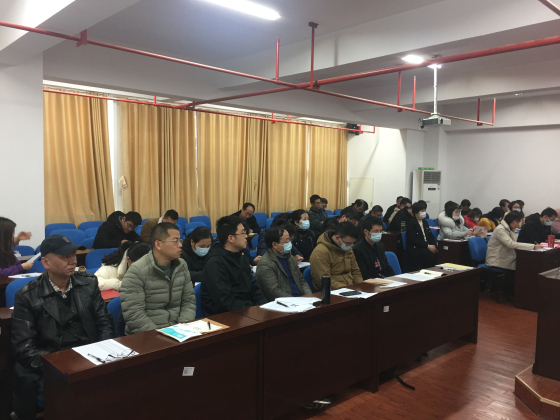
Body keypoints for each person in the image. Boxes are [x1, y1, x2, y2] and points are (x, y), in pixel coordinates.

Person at [11, 235, 114, 420]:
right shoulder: (27, 296)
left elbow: (104, 322)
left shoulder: (89, 283)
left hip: (89, 356)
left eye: (73, 255)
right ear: (46, 262)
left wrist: (103, 354)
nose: (73, 260)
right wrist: (59, 366)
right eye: (65, 256)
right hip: (52, 362)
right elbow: (24, 347)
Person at [120, 223, 196, 335]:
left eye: (180, 241)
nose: (180, 245)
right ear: (158, 244)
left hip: (178, 332)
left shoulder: (181, 265)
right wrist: (161, 336)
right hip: (147, 336)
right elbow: (134, 315)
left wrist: (182, 329)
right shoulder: (136, 272)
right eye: (175, 241)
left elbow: (189, 302)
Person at [201, 216, 267, 315]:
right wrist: (253, 311)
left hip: (246, 311)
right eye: (243, 233)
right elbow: (225, 302)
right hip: (225, 316)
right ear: (231, 238)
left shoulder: (241, 258)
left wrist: (264, 307)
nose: (246, 236)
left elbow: (254, 289)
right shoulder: (215, 263)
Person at [486, 211, 541, 297]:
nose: (518, 225)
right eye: (517, 222)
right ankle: (510, 293)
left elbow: (516, 243)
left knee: (525, 266)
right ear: (510, 220)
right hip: (496, 259)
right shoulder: (500, 229)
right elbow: (511, 244)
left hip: (506, 256)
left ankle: (519, 292)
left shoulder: (510, 229)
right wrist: (533, 246)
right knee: (521, 268)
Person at [256, 226, 312, 300]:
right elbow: (273, 291)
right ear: (275, 245)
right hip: (284, 302)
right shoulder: (265, 263)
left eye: (290, 240)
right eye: (287, 241)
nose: (290, 243)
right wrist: (296, 301)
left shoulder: (291, 258)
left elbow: (301, 281)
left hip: (301, 300)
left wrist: (309, 297)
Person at [309, 222, 363, 291]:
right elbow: (323, 281)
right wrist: (348, 289)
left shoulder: (347, 248)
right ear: (337, 237)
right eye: (347, 243)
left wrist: (360, 287)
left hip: (350, 289)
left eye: (352, 244)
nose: (349, 246)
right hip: (332, 291)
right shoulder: (320, 252)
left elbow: (355, 271)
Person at [406, 202, 438, 270]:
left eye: (424, 210)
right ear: (416, 212)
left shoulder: (424, 222)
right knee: (430, 255)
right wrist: (428, 246)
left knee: (439, 251)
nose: (424, 212)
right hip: (417, 248)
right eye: (422, 211)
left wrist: (433, 245)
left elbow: (430, 235)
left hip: (426, 246)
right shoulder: (411, 223)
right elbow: (414, 240)